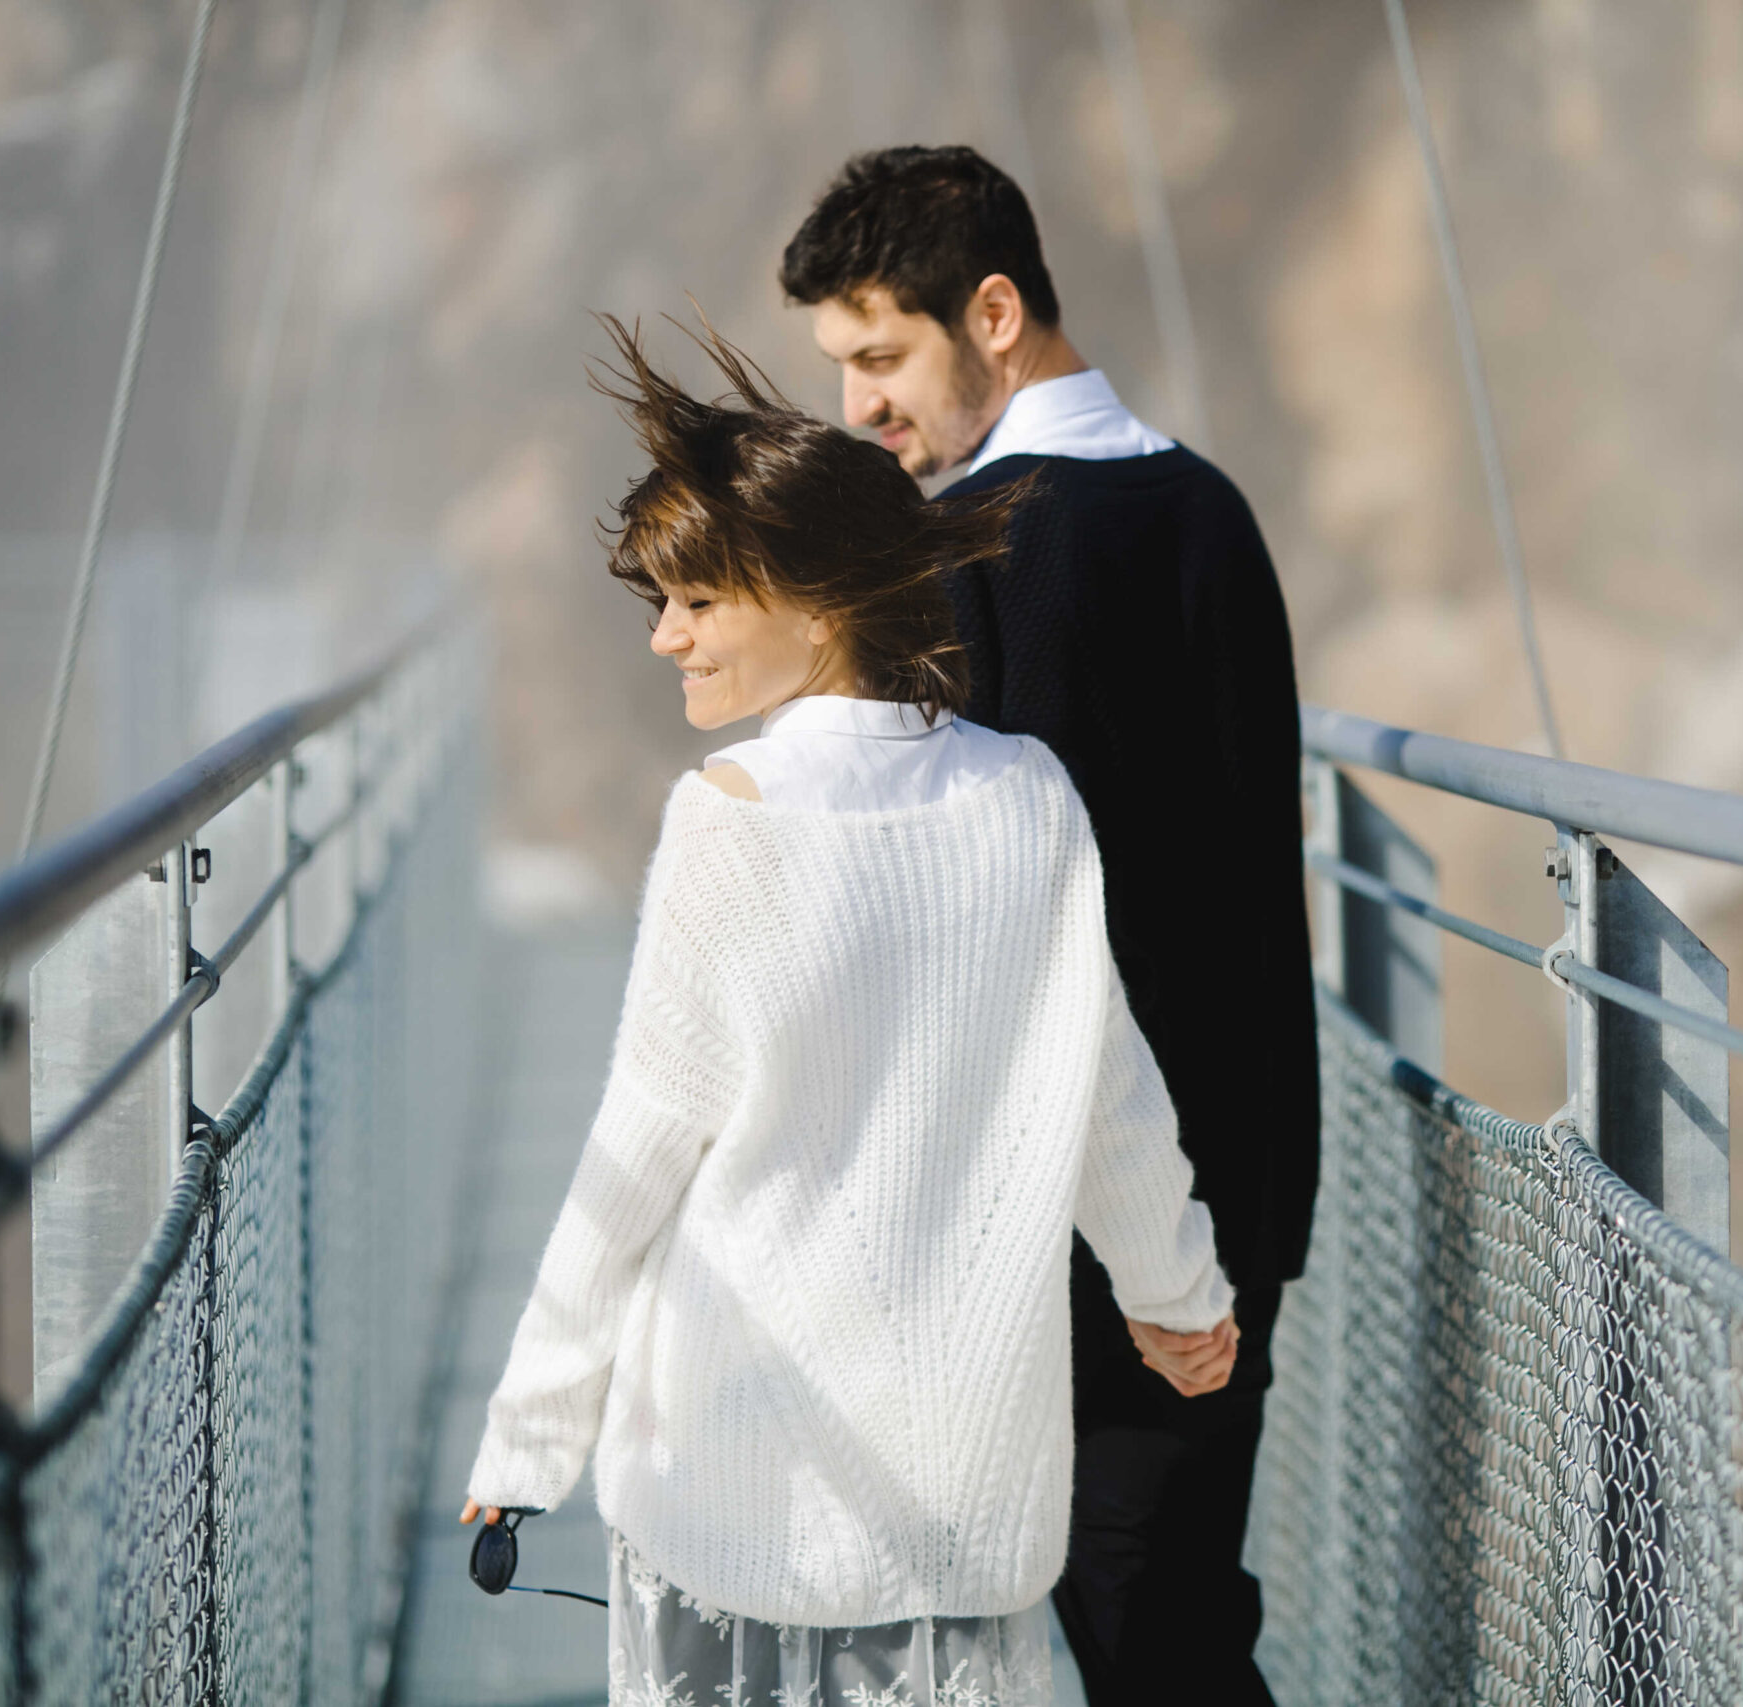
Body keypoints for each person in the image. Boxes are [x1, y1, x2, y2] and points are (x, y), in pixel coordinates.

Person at [460, 315, 1238, 1707]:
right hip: (960, 1490)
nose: (664, 639)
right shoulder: (1030, 795)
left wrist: (527, 1444)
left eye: (695, 601)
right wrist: (1177, 1293)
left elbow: (637, 1164)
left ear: (816, 604)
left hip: (735, 1472)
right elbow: (1105, 1091)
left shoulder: (728, 823)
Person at [782, 146, 1317, 1706]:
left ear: (993, 314)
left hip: (1090, 1204)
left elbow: (1000, 923)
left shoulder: (1000, 547)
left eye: (882, 359)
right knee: (1175, 1609)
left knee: (1126, 1625)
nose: (862, 408)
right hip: (1226, 1169)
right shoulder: (1205, 508)